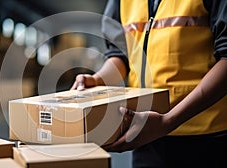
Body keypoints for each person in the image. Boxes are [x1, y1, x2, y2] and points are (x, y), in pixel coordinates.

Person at [71, 0, 227, 167]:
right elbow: (121, 55)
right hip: (146, 132)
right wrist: (98, 80)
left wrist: (167, 121)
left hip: (207, 135)